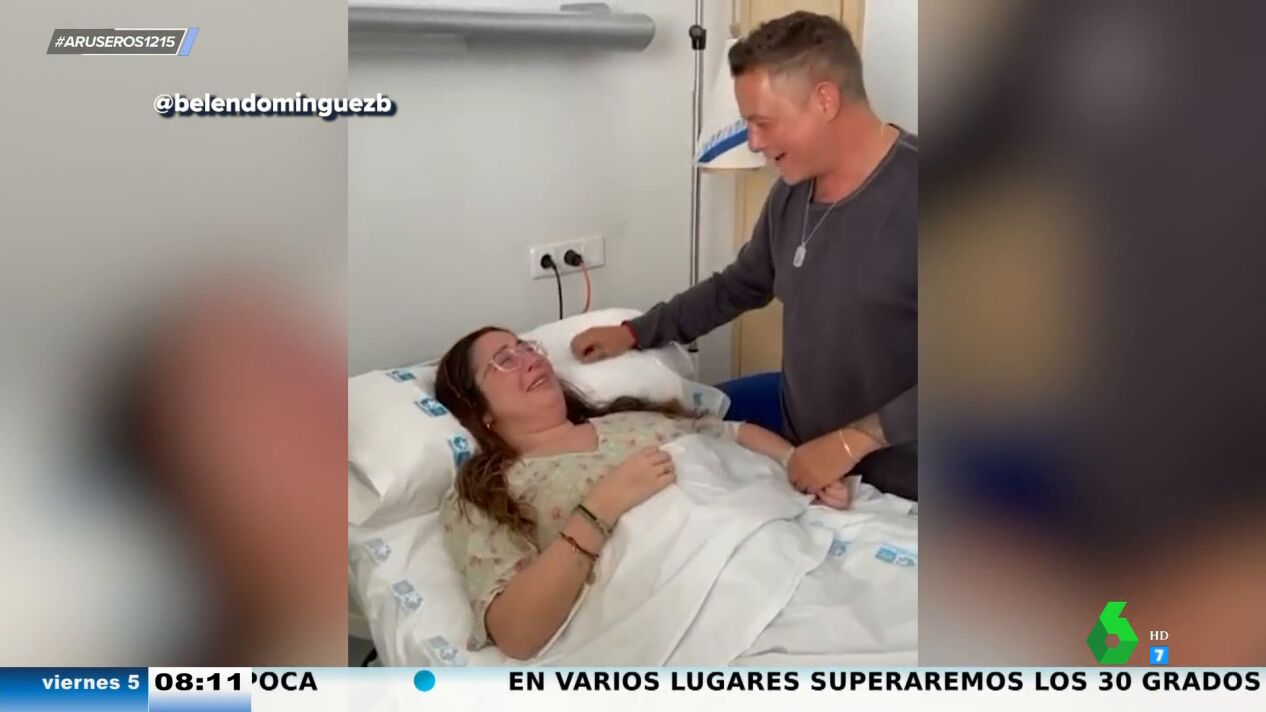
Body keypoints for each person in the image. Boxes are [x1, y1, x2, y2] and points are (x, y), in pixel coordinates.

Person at [571, 11, 917, 500]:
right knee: (670, 425)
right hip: (800, 423)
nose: (754, 143)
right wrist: (635, 332)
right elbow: (741, 285)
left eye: (763, 123)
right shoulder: (793, 192)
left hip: (900, 461)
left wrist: (853, 441)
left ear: (825, 100)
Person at [433, 327, 846, 660]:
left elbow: (730, 433)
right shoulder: (489, 492)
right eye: (504, 360)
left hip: (776, 540)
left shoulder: (628, 417)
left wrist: (797, 462)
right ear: (480, 411)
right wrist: (601, 507)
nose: (530, 358)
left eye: (526, 347)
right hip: (700, 603)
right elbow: (517, 633)